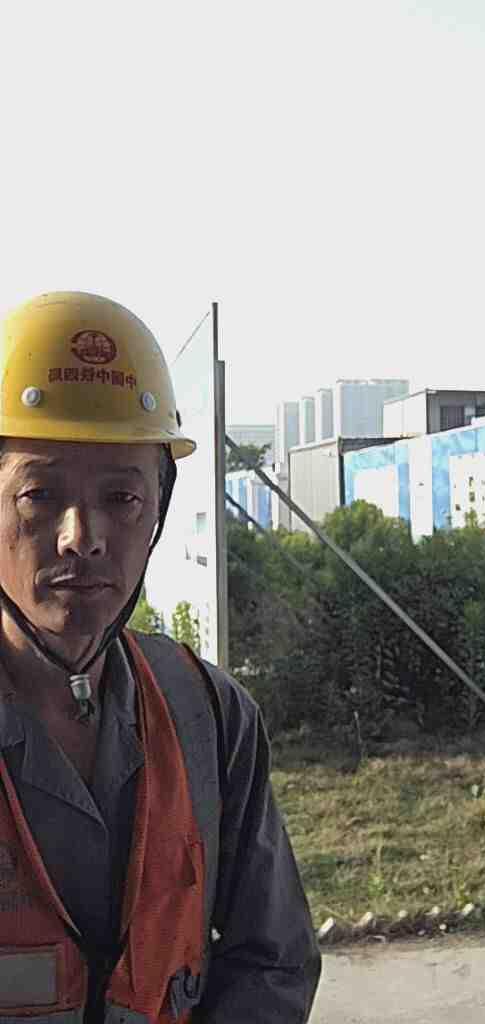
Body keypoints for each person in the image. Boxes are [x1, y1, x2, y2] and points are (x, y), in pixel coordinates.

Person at [0, 292, 321, 1023]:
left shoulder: (208, 715)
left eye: (122, 497)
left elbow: (272, 961)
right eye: (39, 494)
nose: (83, 536)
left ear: (158, 510)